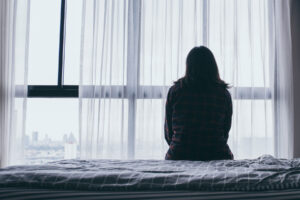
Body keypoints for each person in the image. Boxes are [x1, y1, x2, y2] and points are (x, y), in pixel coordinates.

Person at [164, 46, 234, 161]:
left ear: (188, 66)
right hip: (217, 155)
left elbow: (168, 132)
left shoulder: (175, 91)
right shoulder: (223, 94)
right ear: (213, 67)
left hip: (179, 155)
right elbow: (225, 130)